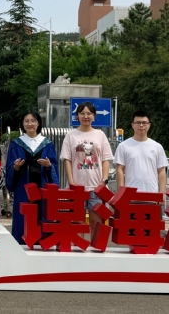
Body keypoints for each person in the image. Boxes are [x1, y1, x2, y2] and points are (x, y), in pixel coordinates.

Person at [59, 101, 114, 239]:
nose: (85, 116)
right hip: (77, 187)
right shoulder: (71, 135)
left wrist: (104, 181)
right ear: (77, 116)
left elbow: (106, 159)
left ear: (94, 116)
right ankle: (78, 249)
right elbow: (67, 159)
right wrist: (71, 181)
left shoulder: (100, 135)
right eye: (82, 113)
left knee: (97, 221)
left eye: (89, 113)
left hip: (96, 187)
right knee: (77, 223)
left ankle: (96, 248)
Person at [5, 110, 59, 244]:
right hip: (23, 187)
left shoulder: (47, 144)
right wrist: (16, 167)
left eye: (33, 121)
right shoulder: (16, 144)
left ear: (38, 123)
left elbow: (54, 166)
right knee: (23, 216)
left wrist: (48, 166)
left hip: (42, 186)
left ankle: (42, 243)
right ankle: (22, 244)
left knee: (42, 214)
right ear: (22, 124)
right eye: (27, 121)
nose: (30, 124)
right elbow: (10, 166)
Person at [114, 111, 168, 201]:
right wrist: (121, 193)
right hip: (130, 195)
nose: (141, 125)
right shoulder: (123, 146)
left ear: (149, 125)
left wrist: (162, 193)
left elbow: (161, 171)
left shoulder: (157, 147)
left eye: (144, 123)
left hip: (152, 194)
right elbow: (120, 169)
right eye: (138, 123)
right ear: (132, 125)